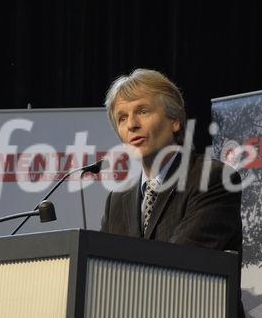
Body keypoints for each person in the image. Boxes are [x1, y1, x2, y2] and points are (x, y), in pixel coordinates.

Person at [101, 68, 244, 316]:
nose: (132, 124)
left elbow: (178, 266)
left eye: (142, 111)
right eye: (122, 118)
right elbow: (101, 276)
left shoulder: (212, 179)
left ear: (175, 120)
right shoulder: (117, 200)